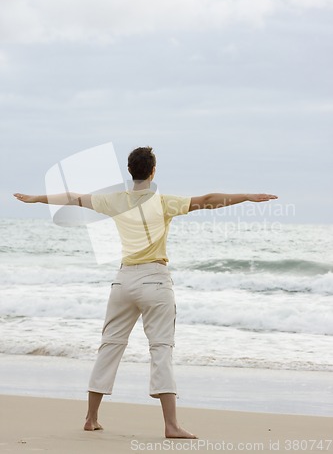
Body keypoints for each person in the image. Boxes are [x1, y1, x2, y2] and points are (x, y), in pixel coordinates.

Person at [14, 146, 278, 438]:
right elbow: (206, 200)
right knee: (161, 349)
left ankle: (91, 418)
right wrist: (247, 197)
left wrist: (37, 198)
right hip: (155, 280)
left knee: (110, 345)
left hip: (123, 281)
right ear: (153, 171)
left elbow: (72, 197)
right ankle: (171, 425)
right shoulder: (164, 202)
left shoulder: (114, 201)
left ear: (130, 171)